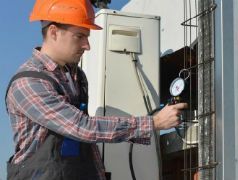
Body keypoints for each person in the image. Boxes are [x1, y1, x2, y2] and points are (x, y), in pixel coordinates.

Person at [5, 0, 188, 179]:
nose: (87, 45)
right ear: (54, 32)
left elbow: (85, 139)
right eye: (80, 36)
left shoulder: (77, 76)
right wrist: (153, 123)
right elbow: (81, 127)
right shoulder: (29, 82)